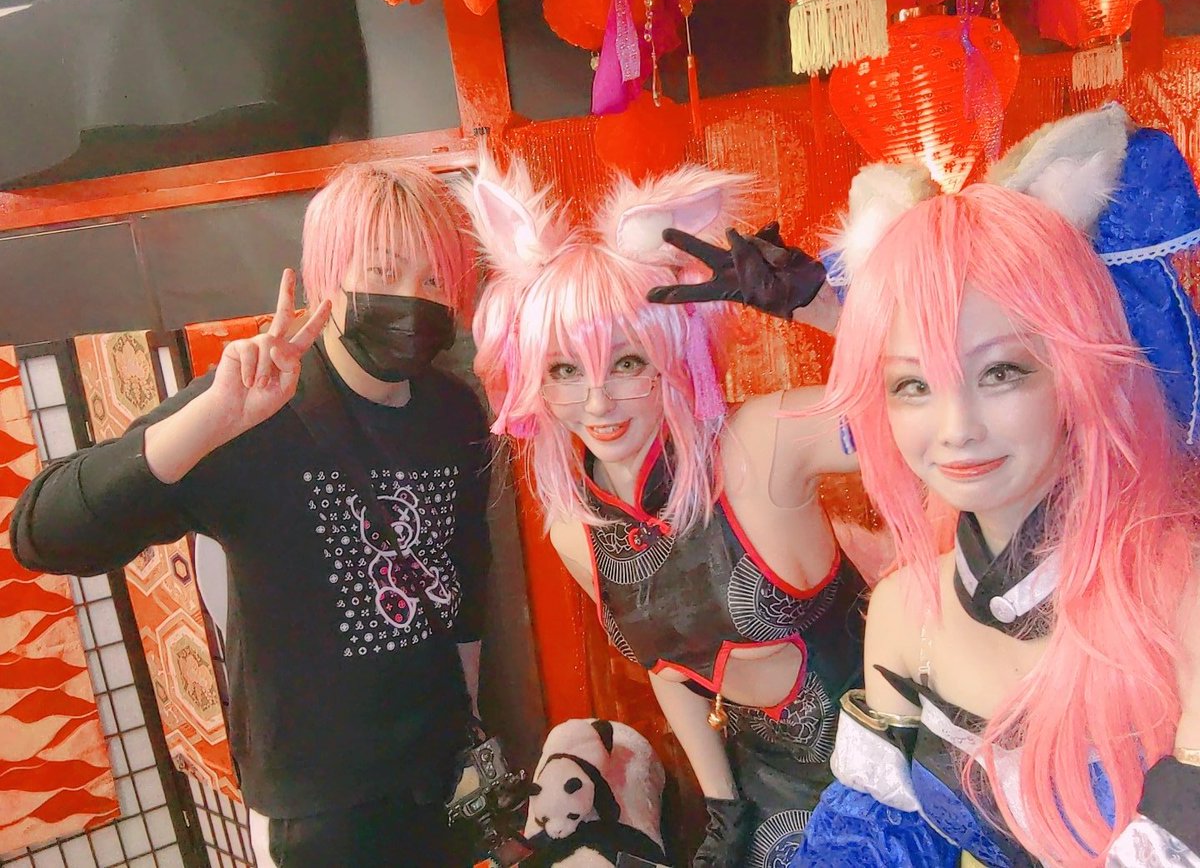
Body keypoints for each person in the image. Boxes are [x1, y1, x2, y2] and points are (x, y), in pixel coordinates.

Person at [11, 162, 494, 867]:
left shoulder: (454, 412)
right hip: (316, 807)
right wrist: (212, 419)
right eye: (383, 270)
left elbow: (466, 575)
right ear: (327, 274)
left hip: (440, 774)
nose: (410, 299)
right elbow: (44, 534)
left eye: (433, 279)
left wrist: (468, 719)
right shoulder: (257, 408)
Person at [792, 105, 1200, 866]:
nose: (956, 429)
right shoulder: (904, 611)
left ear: (1077, 375)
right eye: (912, 385)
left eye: (1001, 373)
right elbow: (873, 846)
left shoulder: (1183, 595)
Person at [465, 156, 869, 867]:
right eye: (564, 370)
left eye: (626, 362)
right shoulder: (577, 529)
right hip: (763, 794)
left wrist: (826, 311)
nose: (597, 402)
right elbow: (671, 664)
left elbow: (924, 417)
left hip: (895, 769)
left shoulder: (761, 443)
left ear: (672, 354)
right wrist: (722, 808)